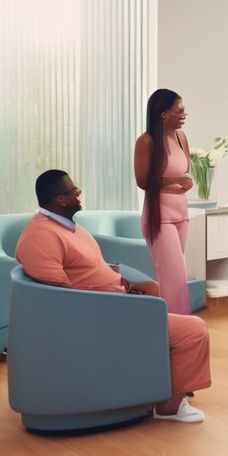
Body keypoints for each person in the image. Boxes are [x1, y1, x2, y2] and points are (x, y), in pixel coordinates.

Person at [15, 170, 211, 423]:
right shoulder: (40, 237)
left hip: (114, 304)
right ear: (60, 200)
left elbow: (92, 267)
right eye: (75, 192)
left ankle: (170, 383)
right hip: (102, 316)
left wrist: (128, 284)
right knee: (193, 330)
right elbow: (60, 299)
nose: (79, 195)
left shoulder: (67, 227)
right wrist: (121, 302)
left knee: (163, 301)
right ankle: (169, 406)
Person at [134, 89, 193, 315]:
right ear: (163, 114)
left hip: (181, 213)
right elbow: (142, 180)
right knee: (175, 277)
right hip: (160, 217)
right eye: (179, 111)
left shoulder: (181, 137)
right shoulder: (146, 141)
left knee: (172, 277)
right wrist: (176, 180)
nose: (183, 115)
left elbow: (184, 169)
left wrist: (185, 183)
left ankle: (168, 328)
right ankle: (180, 328)